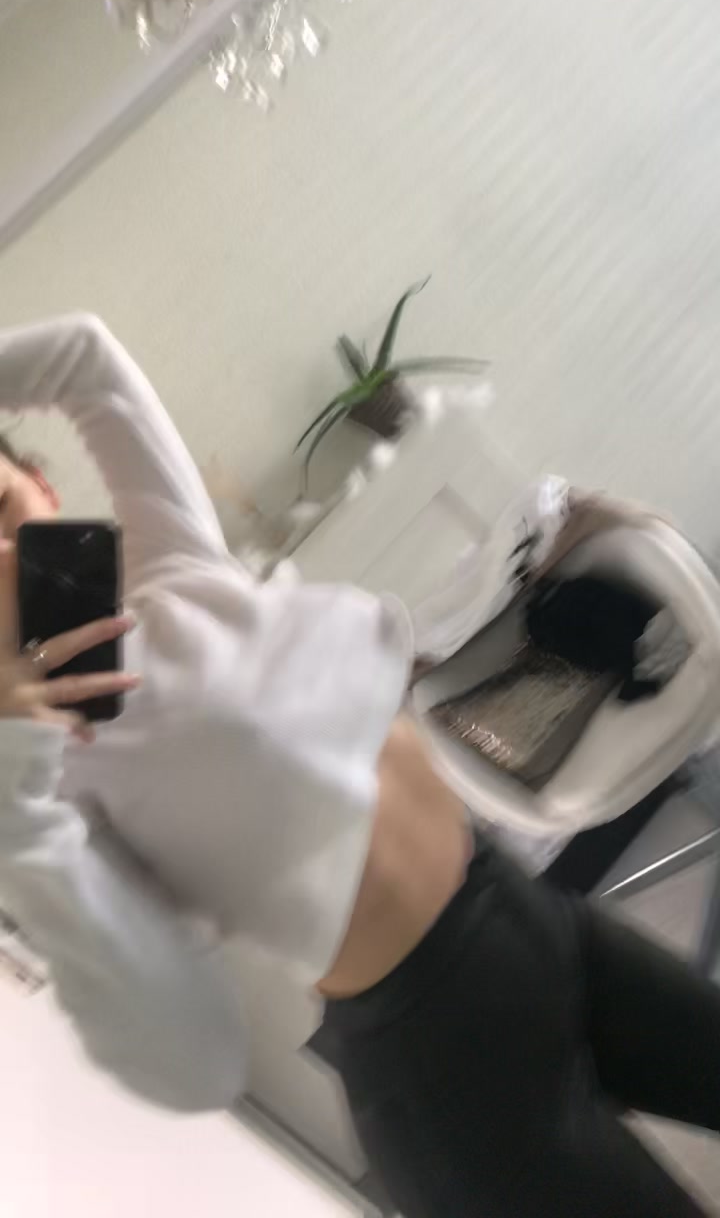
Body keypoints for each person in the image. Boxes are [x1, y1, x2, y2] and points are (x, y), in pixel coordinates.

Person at [0, 312, 718, 1217]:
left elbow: (84, 355)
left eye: (0, 510)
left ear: (40, 485)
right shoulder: (48, 788)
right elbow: (187, 1050)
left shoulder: (175, 568)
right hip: (451, 1083)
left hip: (533, 923)